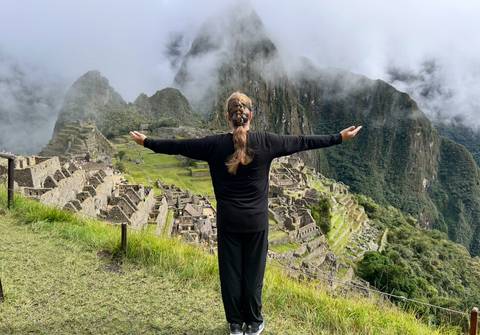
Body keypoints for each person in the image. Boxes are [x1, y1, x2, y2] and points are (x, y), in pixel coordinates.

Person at [130, 91, 362, 335]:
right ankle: (253, 323)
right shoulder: (268, 141)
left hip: (229, 221)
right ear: (251, 115)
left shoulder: (212, 145)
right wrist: (339, 137)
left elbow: (177, 147)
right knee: (254, 274)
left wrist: (147, 142)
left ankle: (234, 325)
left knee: (230, 273)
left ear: (227, 117)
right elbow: (303, 141)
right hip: (257, 223)